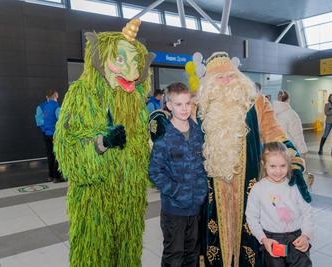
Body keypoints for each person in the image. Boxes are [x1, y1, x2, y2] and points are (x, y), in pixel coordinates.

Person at [54, 19, 155, 267]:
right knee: (94, 255)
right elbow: (68, 152)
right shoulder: (81, 95)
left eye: (135, 63)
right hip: (94, 202)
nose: (131, 71)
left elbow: (144, 159)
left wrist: (157, 143)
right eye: (120, 60)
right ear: (101, 60)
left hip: (130, 201)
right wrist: (101, 143)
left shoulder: (136, 106)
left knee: (128, 255)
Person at [198, 52, 310, 267]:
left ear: (238, 77)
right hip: (213, 184)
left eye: (230, 76)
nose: (226, 81)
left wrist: (293, 160)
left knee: (249, 229)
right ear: (210, 83)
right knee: (216, 233)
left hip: (248, 184)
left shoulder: (256, 102)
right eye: (219, 78)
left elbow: (276, 134)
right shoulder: (201, 106)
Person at [149, 82, 207, 267]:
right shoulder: (164, 135)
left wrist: (201, 192)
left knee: (192, 255)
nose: (184, 109)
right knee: (174, 256)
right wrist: (176, 191)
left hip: (196, 208)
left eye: (187, 104)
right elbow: (155, 171)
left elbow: (204, 165)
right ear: (169, 105)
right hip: (174, 210)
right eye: (179, 104)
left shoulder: (198, 133)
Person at [246, 142, 313, 267]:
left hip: (297, 239)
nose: (278, 171)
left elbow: (307, 212)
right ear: (263, 164)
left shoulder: (295, 186)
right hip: (272, 240)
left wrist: (306, 235)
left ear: (289, 164)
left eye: (283, 166)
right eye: (272, 166)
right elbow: (251, 217)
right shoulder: (258, 189)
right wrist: (263, 239)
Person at [273, 90, 308, 155]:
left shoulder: (272, 113)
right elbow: (297, 134)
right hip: (290, 149)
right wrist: (302, 150)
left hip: (275, 148)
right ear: (288, 99)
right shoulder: (291, 114)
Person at [41, 89, 63, 183]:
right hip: (54, 134)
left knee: (50, 155)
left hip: (46, 134)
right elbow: (60, 120)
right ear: (55, 96)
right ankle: (57, 177)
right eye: (57, 95)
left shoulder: (45, 106)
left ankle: (50, 176)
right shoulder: (56, 106)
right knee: (58, 155)